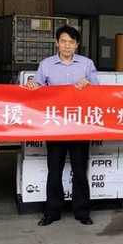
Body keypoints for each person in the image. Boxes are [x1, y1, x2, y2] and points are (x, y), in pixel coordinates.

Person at [25, 25, 98, 226]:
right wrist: (33, 85)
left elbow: (98, 92)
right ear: (57, 42)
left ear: (77, 44)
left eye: (71, 42)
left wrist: (89, 85)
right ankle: (52, 211)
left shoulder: (86, 64)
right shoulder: (46, 65)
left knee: (80, 170)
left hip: (80, 125)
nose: (67, 45)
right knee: (54, 170)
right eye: (63, 41)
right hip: (55, 126)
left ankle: (82, 211)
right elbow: (37, 90)